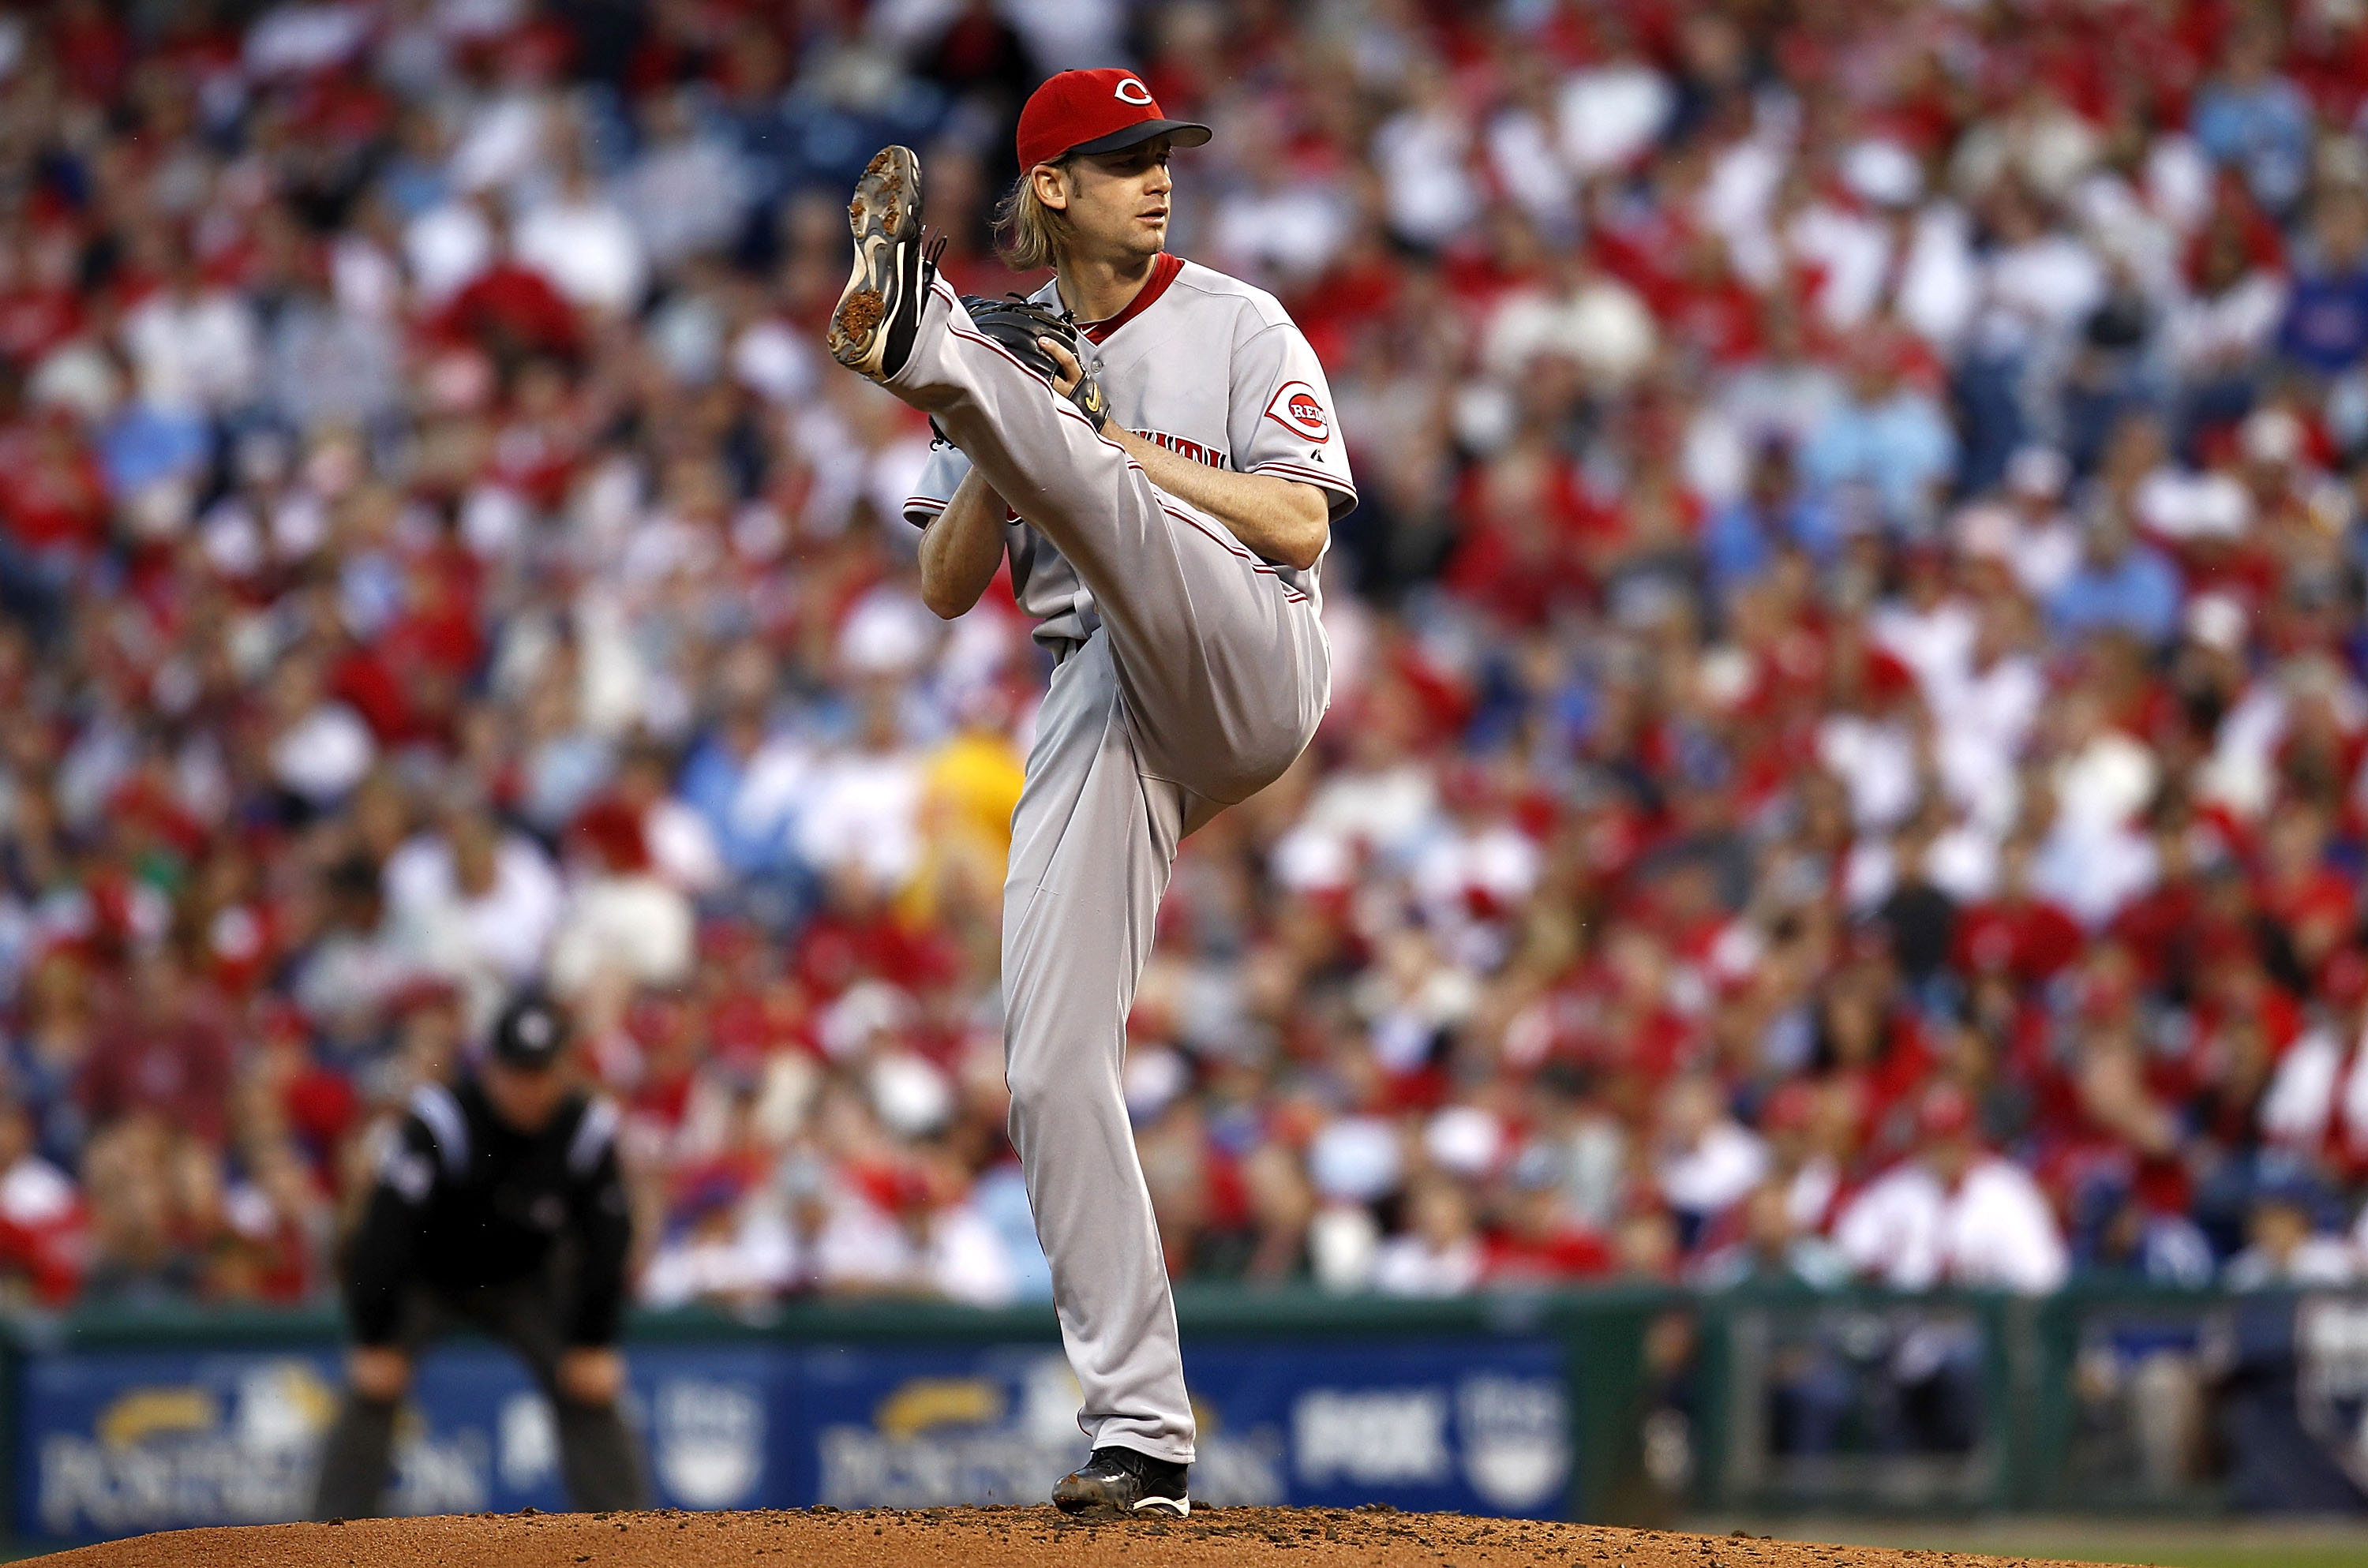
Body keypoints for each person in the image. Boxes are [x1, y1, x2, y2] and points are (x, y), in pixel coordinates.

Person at [830, 66, 1352, 1518]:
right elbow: (944, 588)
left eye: (1164, 152)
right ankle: (1142, 1434)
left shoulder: (1236, 318)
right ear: (1051, 187)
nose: (1159, 174)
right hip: (1102, 692)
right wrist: (1010, 441)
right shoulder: (1022, 351)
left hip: (1241, 640)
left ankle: (908, 331)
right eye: (1125, 159)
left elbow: (1303, 520)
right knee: (1047, 1066)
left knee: (1114, 493)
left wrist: (1087, 440)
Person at [311, 992, 646, 1517]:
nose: (527, 1088)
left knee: (590, 1383)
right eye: (515, 1071)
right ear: (490, 1066)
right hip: (428, 1279)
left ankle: (632, 1534)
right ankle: (330, 1536)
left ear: (563, 1071)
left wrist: (594, 1338)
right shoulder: (444, 1118)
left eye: (540, 1073)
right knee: (372, 1384)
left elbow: (608, 1239)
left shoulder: (584, 1129)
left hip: (525, 1281)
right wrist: (375, 1335)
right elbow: (383, 1231)